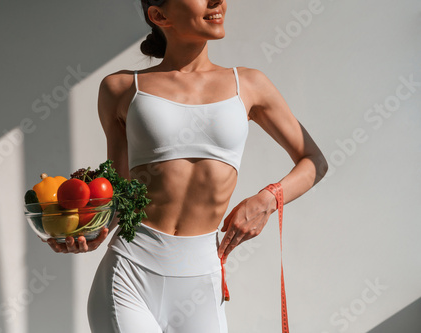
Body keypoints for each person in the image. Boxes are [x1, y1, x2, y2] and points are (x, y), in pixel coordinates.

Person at [45, 0, 328, 332]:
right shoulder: (121, 88)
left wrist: (268, 199)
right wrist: (91, 230)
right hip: (130, 273)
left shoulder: (249, 85)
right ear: (159, 15)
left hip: (201, 282)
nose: (217, 1)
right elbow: (121, 194)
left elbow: (314, 161)